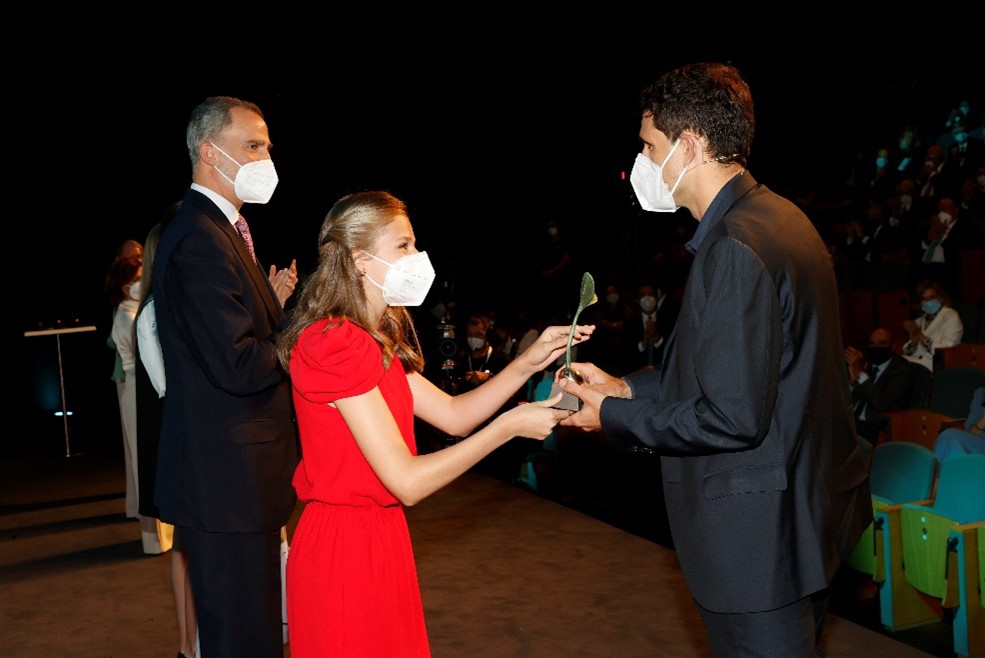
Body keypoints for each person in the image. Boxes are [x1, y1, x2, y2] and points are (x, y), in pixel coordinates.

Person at [557, 62, 872, 657]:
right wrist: (627, 389)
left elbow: (732, 416)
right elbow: (744, 368)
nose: (642, 164)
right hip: (803, 518)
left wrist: (613, 419)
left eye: (650, 146)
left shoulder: (733, 246)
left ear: (690, 145)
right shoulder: (780, 218)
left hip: (757, 543)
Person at [275, 190, 593, 657]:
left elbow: (454, 415)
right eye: (402, 246)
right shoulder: (335, 344)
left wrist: (528, 362)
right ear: (360, 261)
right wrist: (507, 429)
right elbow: (406, 480)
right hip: (345, 548)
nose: (417, 257)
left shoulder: (370, 340)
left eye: (414, 244)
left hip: (381, 537)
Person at [151, 95, 300, 658]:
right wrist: (303, 335)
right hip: (225, 484)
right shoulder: (199, 239)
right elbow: (238, 363)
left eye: (267, 146)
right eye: (254, 146)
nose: (267, 159)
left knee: (253, 631)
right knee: (242, 638)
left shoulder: (219, 229)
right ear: (211, 153)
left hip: (237, 482)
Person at [133, 204, 198, 658]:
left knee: (195, 551)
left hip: (200, 443)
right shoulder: (151, 315)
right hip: (185, 446)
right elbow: (166, 388)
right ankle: (185, 644)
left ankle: (198, 642)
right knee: (183, 550)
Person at [105, 252, 172, 555]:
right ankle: (154, 541)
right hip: (134, 388)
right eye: (134, 280)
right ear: (123, 286)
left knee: (149, 458)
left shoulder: (137, 309)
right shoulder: (127, 314)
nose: (139, 283)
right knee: (144, 460)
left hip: (139, 387)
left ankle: (161, 537)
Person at [844, 327, 915, 442]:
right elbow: (846, 401)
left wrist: (861, 373)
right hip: (853, 423)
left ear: (892, 346)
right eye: (872, 344)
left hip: (875, 428)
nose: (876, 348)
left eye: (882, 343)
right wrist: (852, 382)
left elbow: (882, 404)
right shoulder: (867, 366)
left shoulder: (902, 370)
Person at [901, 279, 964, 372]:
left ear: (940, 297)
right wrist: (914, 341)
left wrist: (922, 337)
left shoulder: (951, 316)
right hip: (915, 362)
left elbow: (947, 351)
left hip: (935, 366)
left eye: (932, 297)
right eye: (924, 299)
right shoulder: (921, 320)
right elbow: (908, 352)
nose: (928, 302)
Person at [932, 386, 985, 461]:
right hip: (979, 443)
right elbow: (971, 432)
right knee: (948, 436)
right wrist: (982, 422)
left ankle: (965, 468)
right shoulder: (981, 394)